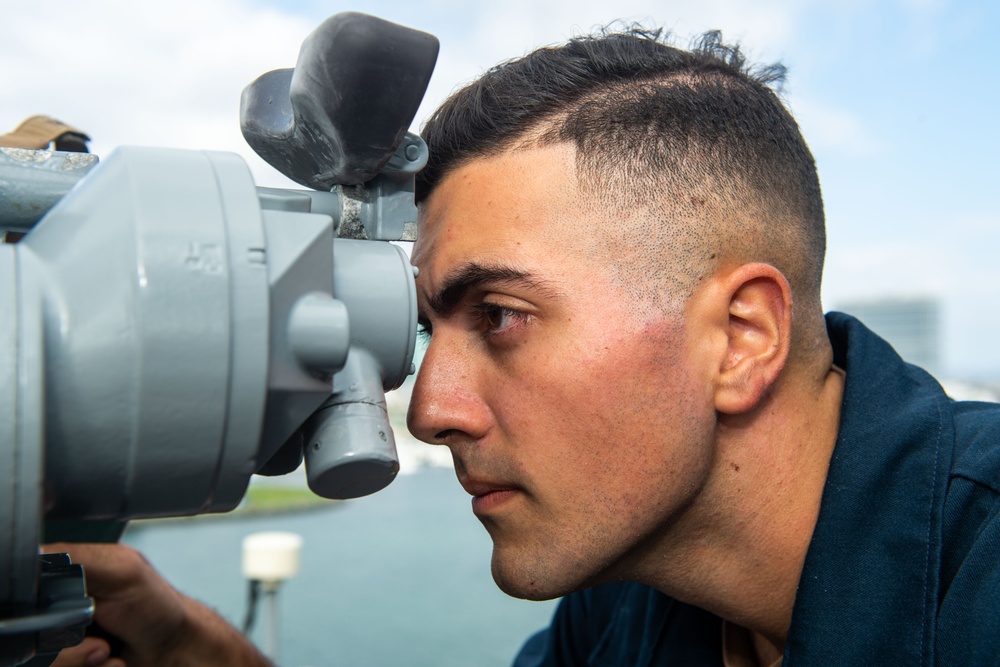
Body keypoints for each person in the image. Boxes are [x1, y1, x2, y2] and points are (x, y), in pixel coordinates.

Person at [51, 25, 1000, 667]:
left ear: (740, 337)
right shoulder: (631, 600)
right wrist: (187, 643)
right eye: (432, 327)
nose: (428, 410)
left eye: (499, 315)